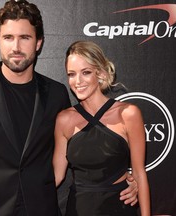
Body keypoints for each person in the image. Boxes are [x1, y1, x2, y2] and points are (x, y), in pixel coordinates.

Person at [0, 1, 138, 215]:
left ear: (38, 43)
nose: (16, 47)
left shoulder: (56, 93)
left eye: (25, 37)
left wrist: (123, 180)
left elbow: (78, 151)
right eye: (8, 37)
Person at [53, 41, 150, 216]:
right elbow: (57, 175)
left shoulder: (128, 114)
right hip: (78, 209)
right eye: (71, 74)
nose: (78, 81)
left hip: (119, 207)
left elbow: (138, 172)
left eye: (86, 72)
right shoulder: (64, 119)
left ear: (100, 73)